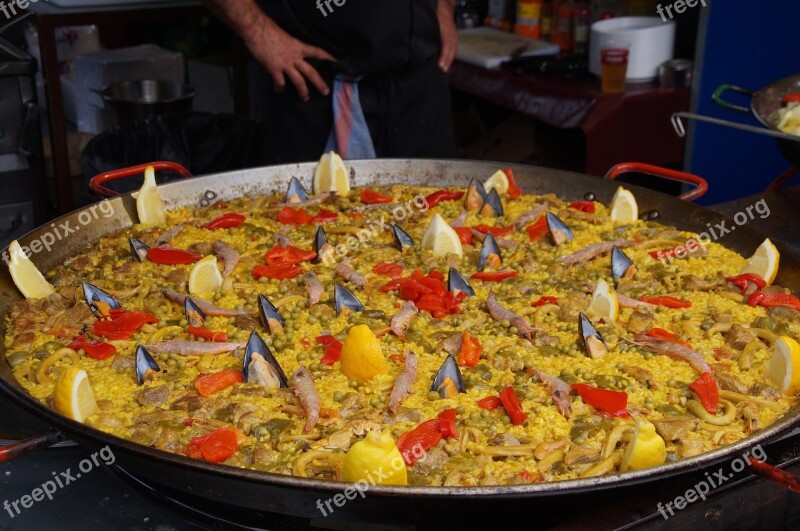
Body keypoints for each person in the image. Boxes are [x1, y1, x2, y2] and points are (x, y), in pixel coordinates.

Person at [205, 0, 458, 164]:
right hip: (312, 89)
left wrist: (445, 6)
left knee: (440, 228)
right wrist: (258, 30)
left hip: (420, 91)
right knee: (300, 238)